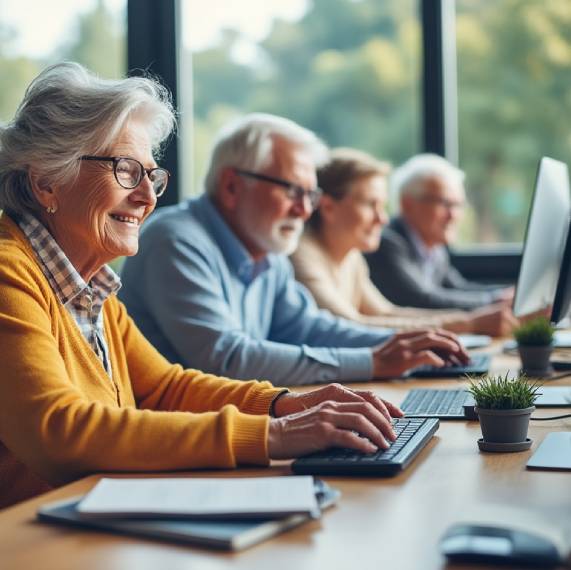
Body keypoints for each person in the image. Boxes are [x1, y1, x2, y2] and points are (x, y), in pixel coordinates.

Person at [0, 63, 405, 509]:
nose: (148, 197)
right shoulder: (9, 272)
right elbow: (60, 431)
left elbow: (165, 390)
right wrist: (276, 434)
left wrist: (287, 405)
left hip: (84, 518)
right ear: (45, 182)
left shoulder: (89, 286)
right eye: (125, 170)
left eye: (151, 175)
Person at [119, 114, 469, 387]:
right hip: (176, 443)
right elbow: (226, 360)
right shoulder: (175, 240)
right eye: (291, 191)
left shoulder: (266, 250)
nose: (304, 210)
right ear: (231, 186)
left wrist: (404, 344)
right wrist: (375, 361)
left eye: (310, 195)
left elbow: (310, 328)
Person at [290, 148, 517, 337]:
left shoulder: (351, 256)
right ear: (329, 207)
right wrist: (469, 325)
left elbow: (386, 313)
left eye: (382, 206)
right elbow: (352, 326)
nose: (383, 218)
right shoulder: (301, 255)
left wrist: (469, 321)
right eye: (371, 204)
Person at [366, 153, 515, 311]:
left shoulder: (432, 246)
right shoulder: (386, 244)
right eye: (445, 203)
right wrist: (494, 301)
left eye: (458, 205)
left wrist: (504, 294)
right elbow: (421, 299)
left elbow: (458, 288)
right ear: (407, 204)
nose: (454, 215)